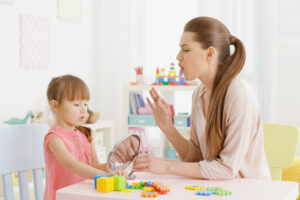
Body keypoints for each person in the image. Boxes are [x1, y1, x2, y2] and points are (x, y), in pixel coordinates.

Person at [133, 17, 271, 180]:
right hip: (219, 190)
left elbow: (226, 169)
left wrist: (166, 166)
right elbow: (196, 158)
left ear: (210, 53)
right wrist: (167, 127)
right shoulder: (199, 94)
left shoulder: (239, 96)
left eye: (186, 49)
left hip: (249, 192)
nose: (178, 56)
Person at [43, 75, 125, 200]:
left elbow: (95, 166)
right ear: (55, 106)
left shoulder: (85, 135)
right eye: (76, 105)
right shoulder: (54, 139)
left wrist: (114, 168)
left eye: (85, 104)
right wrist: (105, 176)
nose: (83, 110)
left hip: (84, 195)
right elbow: (72, 165)